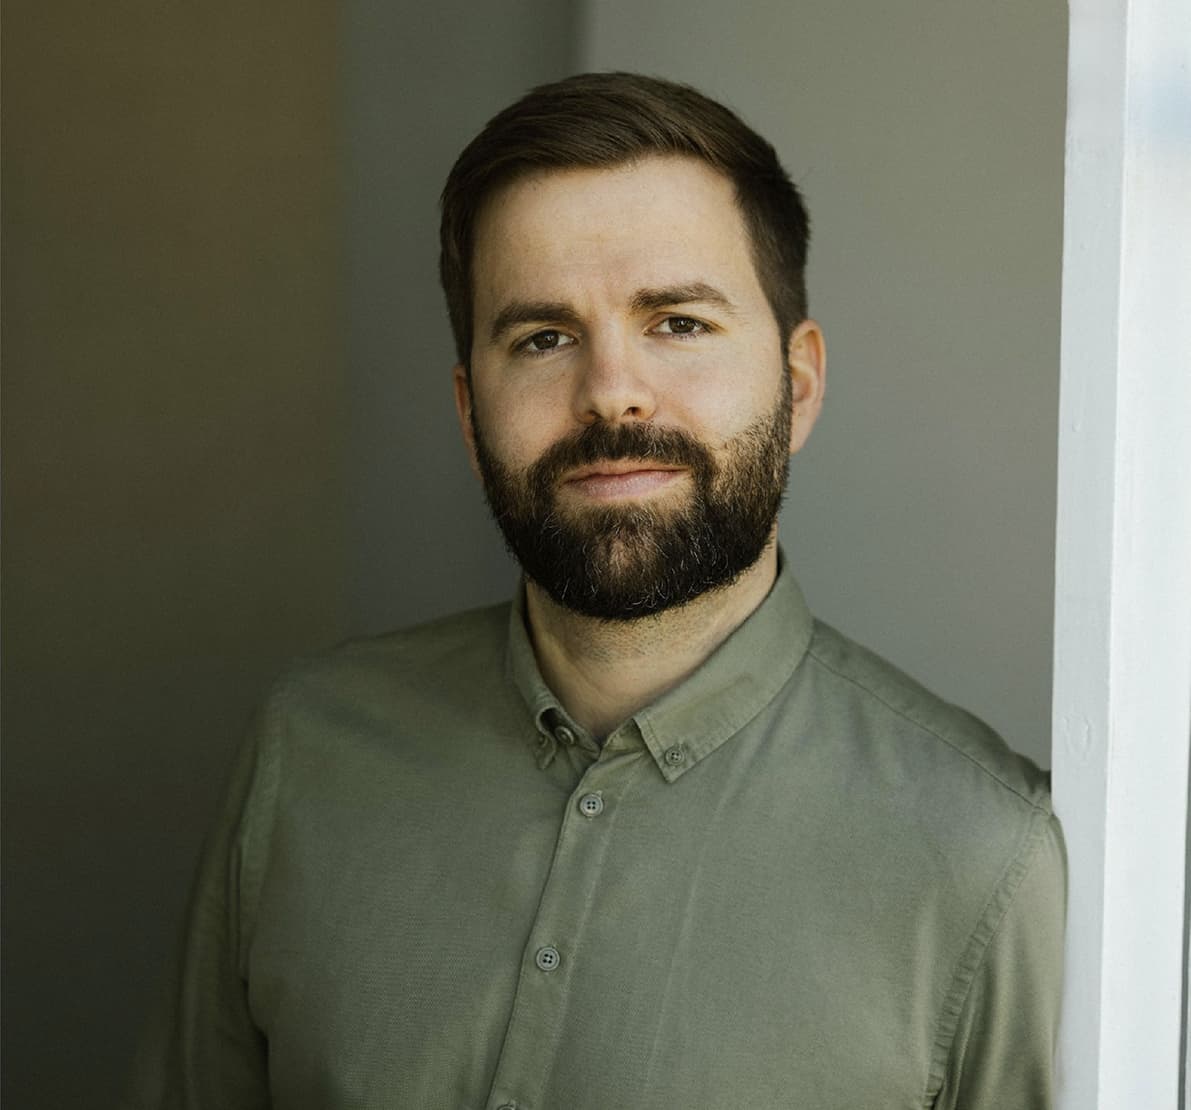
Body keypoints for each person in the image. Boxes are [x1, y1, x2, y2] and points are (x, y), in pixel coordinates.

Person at [125, 72, 1065, 1109]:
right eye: (543, 339)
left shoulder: (987, 850)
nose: (611, 389)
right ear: (470, 413)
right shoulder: (306, 751)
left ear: (796, 386)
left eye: (678, 324)